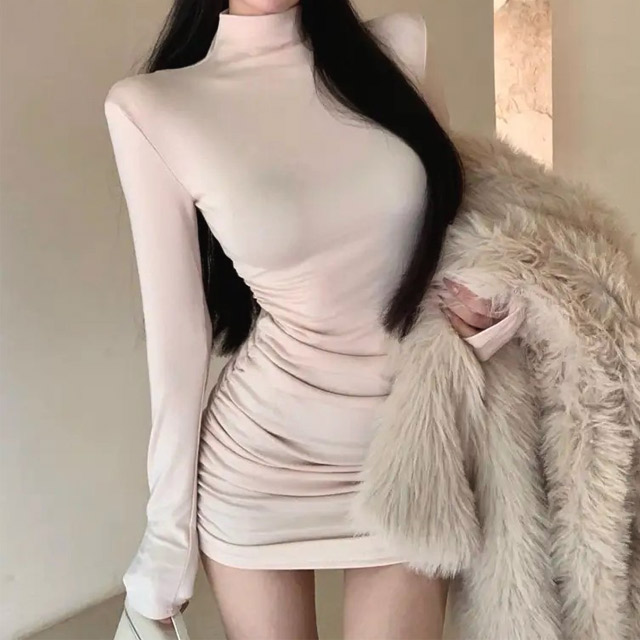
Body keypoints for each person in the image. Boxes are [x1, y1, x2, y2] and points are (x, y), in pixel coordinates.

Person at [104, 1, 522, 637]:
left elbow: (453, 240)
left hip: (406, 453)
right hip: (261, 466)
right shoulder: (151, 108)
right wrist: (165, 534)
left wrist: (479, 323)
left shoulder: (400, 50)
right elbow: (178, 342)